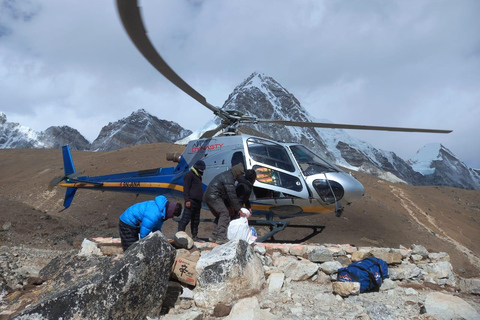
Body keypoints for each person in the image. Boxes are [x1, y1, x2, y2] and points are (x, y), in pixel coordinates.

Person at [203, 163, 245, 244]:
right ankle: (221, 237)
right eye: (240, 174)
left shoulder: (227, 175)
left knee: (219, 215)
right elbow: (231, 195)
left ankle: (214, 236)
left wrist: (229, 206)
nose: (240, 177)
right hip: (214, 196)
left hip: (208, 196)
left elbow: (226, 194)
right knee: (224, 213)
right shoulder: (229, 178)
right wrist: (238, 209)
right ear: (237, 173)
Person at [177, 160, 206, 241]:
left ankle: (195, 236)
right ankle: (180, 236)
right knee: (185, 219)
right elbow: (186, 189)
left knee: (196, 220)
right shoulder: (189, 175)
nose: (202, 171)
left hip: (198, 202)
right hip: (191, 201)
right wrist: (187, 200)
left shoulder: (198, 176)